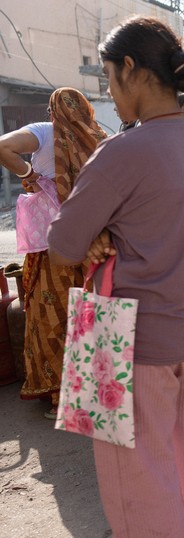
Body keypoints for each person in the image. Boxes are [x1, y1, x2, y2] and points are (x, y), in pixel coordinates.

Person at [47, 16, 184, 538]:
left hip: (132, 338)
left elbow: (63, 244)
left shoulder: (125, 151)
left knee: (137, 480)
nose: (110, 95)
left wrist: (98, 232)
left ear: (131, 69)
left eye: (110, 79)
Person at [0, 88, 106, 418]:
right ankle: (100, 391)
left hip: (54, 249)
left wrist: (30, 176)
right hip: (95, 243)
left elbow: (3, 146)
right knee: (93, 312)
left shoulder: (45, 132)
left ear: (52, 110)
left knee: (54, 315)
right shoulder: (99, 137)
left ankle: (64, 395)